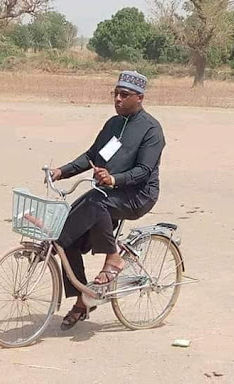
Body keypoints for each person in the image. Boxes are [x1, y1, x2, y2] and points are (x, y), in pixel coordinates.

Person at [50, 71, 166, 330]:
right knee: (62, 236)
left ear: (140, 97)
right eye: (115, 93)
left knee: (97, 202)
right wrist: (63, 171)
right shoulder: (114, 124)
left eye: (124, 95)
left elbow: (144, 171)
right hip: (108, 192)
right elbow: (93, 155)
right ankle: (84, 299)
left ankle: (113, 257)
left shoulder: (151, 129)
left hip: (138, 195)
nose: (118, 99)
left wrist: (114, 179)